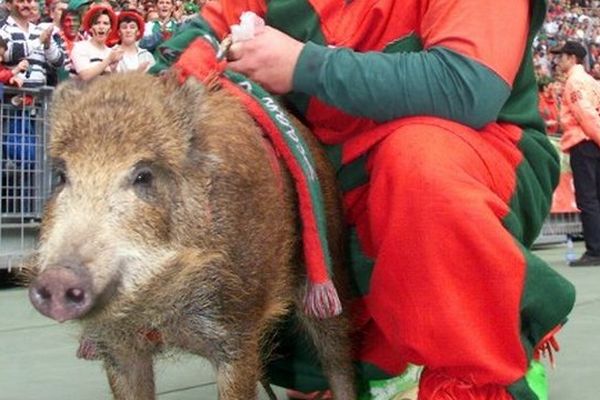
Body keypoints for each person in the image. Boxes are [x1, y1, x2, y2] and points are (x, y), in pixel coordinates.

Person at [153, 2, 577, 399]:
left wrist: (303, 65)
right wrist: (138, 97)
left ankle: (479, 375)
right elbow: (201, 41)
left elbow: (468, 87)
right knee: (242, 170)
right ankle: (362, 367)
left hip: (473, 153)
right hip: (331, 172)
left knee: (420, 164)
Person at [552, 40, 600, 267]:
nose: (557, 60)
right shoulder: (591, 81)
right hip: (593, 143)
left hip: (585, 143)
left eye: (561, 56)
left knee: (588, 199)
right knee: (596, 198)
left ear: (572, 58)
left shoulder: (575, 81)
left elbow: (586, 116)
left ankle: (595, 251)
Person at [0, 0, 65, 87]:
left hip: (40, 94)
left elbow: (58, 62)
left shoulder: (39, 30)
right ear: (8, 5)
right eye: (20, 1)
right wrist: (38, 41)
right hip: (12, 94)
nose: (26, 4)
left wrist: (48, 45)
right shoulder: (2, 28)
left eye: (29, 1)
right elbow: (8, 53)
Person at [70, 4, 122, 80]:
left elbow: (116, 83)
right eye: (97, 23)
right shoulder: (80, 47)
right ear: (90, 28)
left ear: (110, 29)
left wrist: (113, 69)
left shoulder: (111, 52)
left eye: (105, 23)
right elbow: (85, 76)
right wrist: (108, 61)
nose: (101, 27)